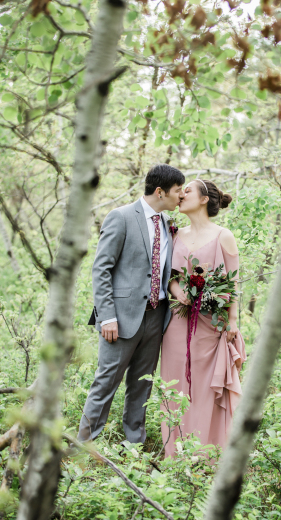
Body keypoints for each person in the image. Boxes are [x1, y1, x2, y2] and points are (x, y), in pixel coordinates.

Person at [77, 164, 185, 444]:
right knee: (106, 382)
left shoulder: (166, 223)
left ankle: (133, 445)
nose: (181, 197)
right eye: (177, 191)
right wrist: (107, 316)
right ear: (160, 192)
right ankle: (85, 448)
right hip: (121, 318)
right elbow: (101, 269)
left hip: (156, 315)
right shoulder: (121, 217)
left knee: (143, 383)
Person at [161, 179, 246, 457]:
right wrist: (180, 293)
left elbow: (232, 284)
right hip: (178, 322)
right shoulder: (175, 235)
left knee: (205, 389)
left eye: (187, 191)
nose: (181, 194)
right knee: (176, 385)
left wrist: (232, 320)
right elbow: (170, 277)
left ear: (203, 199)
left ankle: (205, 453)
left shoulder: (224, 235)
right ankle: (173, 453)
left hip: (212, 324)